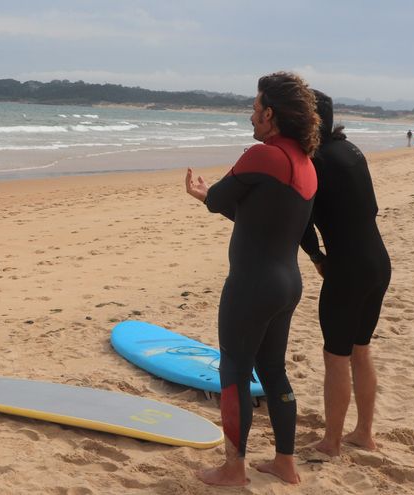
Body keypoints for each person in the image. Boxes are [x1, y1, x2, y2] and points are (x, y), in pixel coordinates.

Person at [185, 72, 320, 486]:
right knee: (274, 371)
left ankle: (234, 468)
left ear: (270, 114)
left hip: (251, 285)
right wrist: (215, 197)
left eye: (255, 107)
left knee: (235, 371)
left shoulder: (262, 156)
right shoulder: (305, 164)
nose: (251, 115)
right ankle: (285, 463)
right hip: (287, 284)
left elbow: (223, 200)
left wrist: (207, 193)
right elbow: (260, 218)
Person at [301, 90, 391, 457]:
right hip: (378, 261)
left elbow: (302, 221)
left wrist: (316, 256)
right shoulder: (350, 150)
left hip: (348, 267)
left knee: (335, 355)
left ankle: (332, 442)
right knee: (361, 349)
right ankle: (364, 434)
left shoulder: (314, 161)